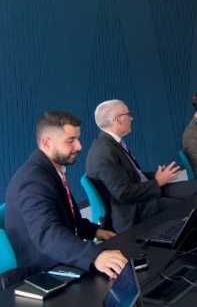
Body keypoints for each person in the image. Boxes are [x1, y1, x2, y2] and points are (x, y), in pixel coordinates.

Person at [5, 111, 127, 278]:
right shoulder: (32, 182)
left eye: (77, 139)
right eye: (71, 141)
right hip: (44, 271)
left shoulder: (50, 170)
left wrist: (95, 232)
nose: (79, 146)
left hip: (60, 256)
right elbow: (48, 234)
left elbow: (67, 219)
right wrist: (95, 255)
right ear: (47, 143)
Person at [86, 100, 197, 233]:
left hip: (141, 196)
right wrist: (158, 181)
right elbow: (123, 193)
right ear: (118, 119)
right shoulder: (104, 151)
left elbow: (130, 175)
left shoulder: (112, 143)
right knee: (189, 207)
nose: (132, 118)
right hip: (132, 211)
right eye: (128, 114)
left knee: (195, 190)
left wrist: (156, 177)